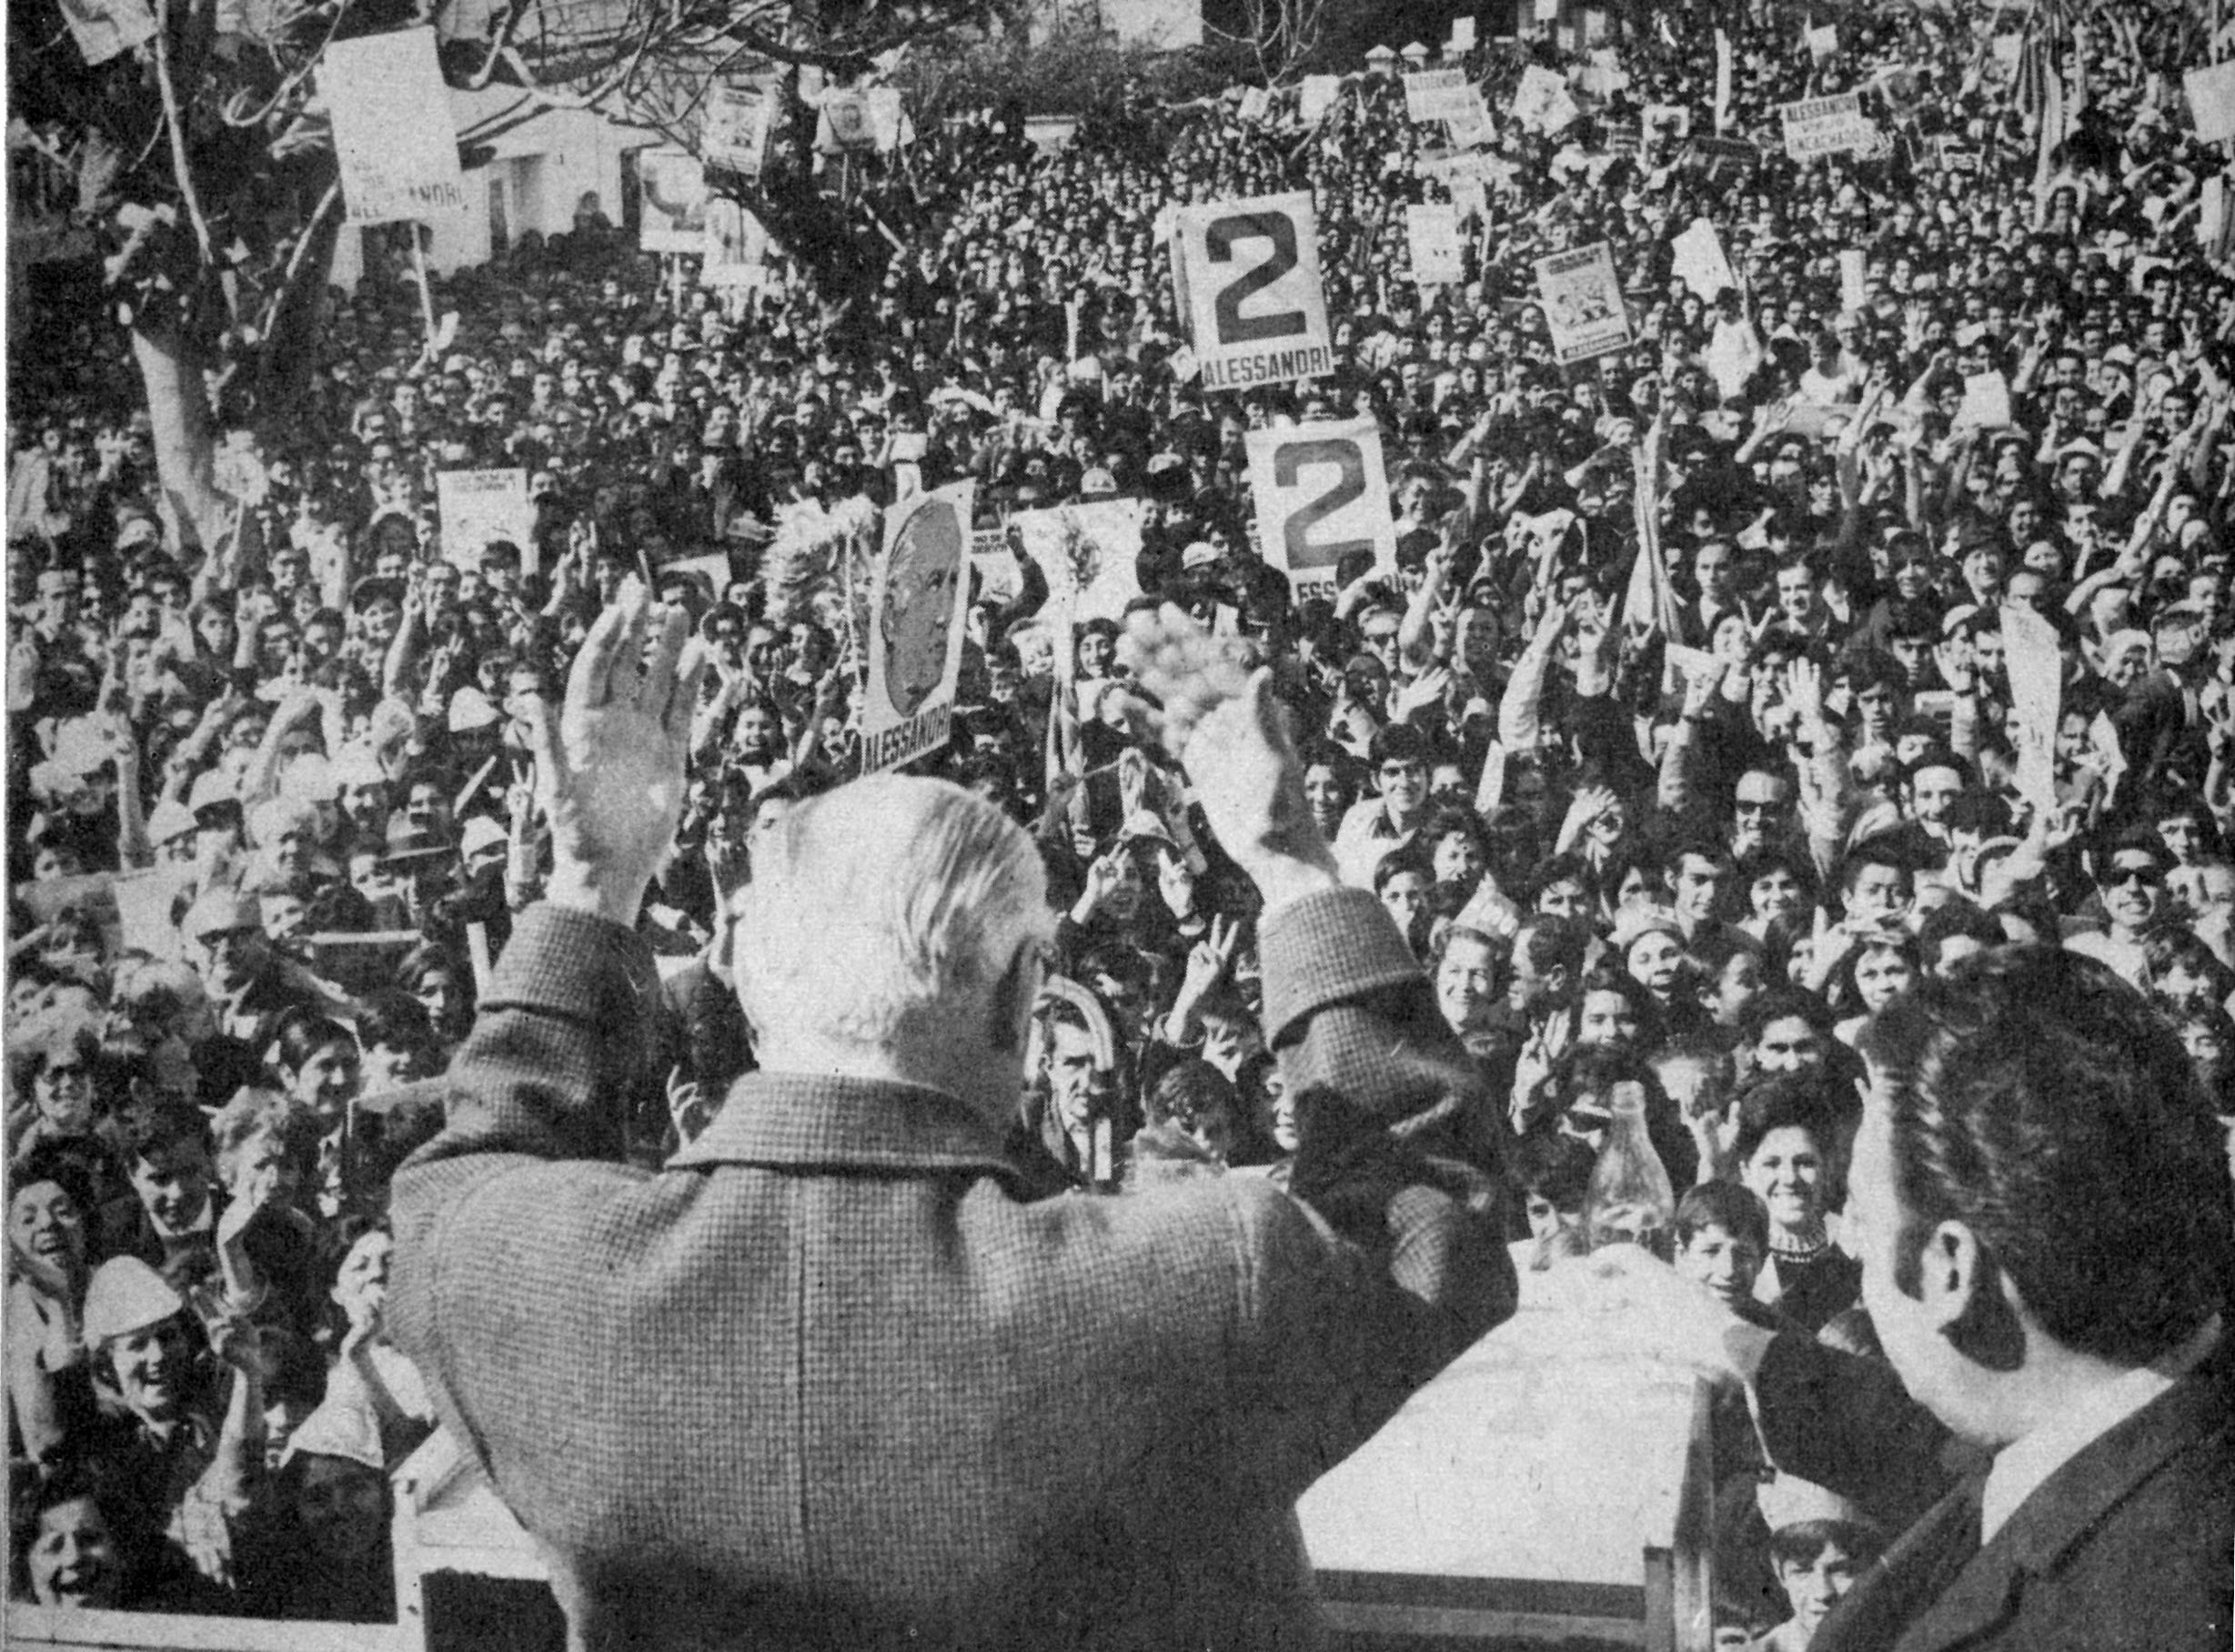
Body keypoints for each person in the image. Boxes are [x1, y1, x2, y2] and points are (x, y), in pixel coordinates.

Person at [388, 589, 1515, 1650]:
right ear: (1027, 995)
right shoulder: (1197, 1279)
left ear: (746, 978)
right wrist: (1294, 865)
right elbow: (1429, 1217)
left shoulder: (526, 1279)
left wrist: (592, 886)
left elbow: (466, 1173)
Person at [1600, 946, 2233, 1651]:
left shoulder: (2123, 1616)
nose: (1855, 1249)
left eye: (1864, 1219)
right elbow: (1924, 1443)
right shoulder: (2122, 1410)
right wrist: (1727, 1337)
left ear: (1950, 1272)